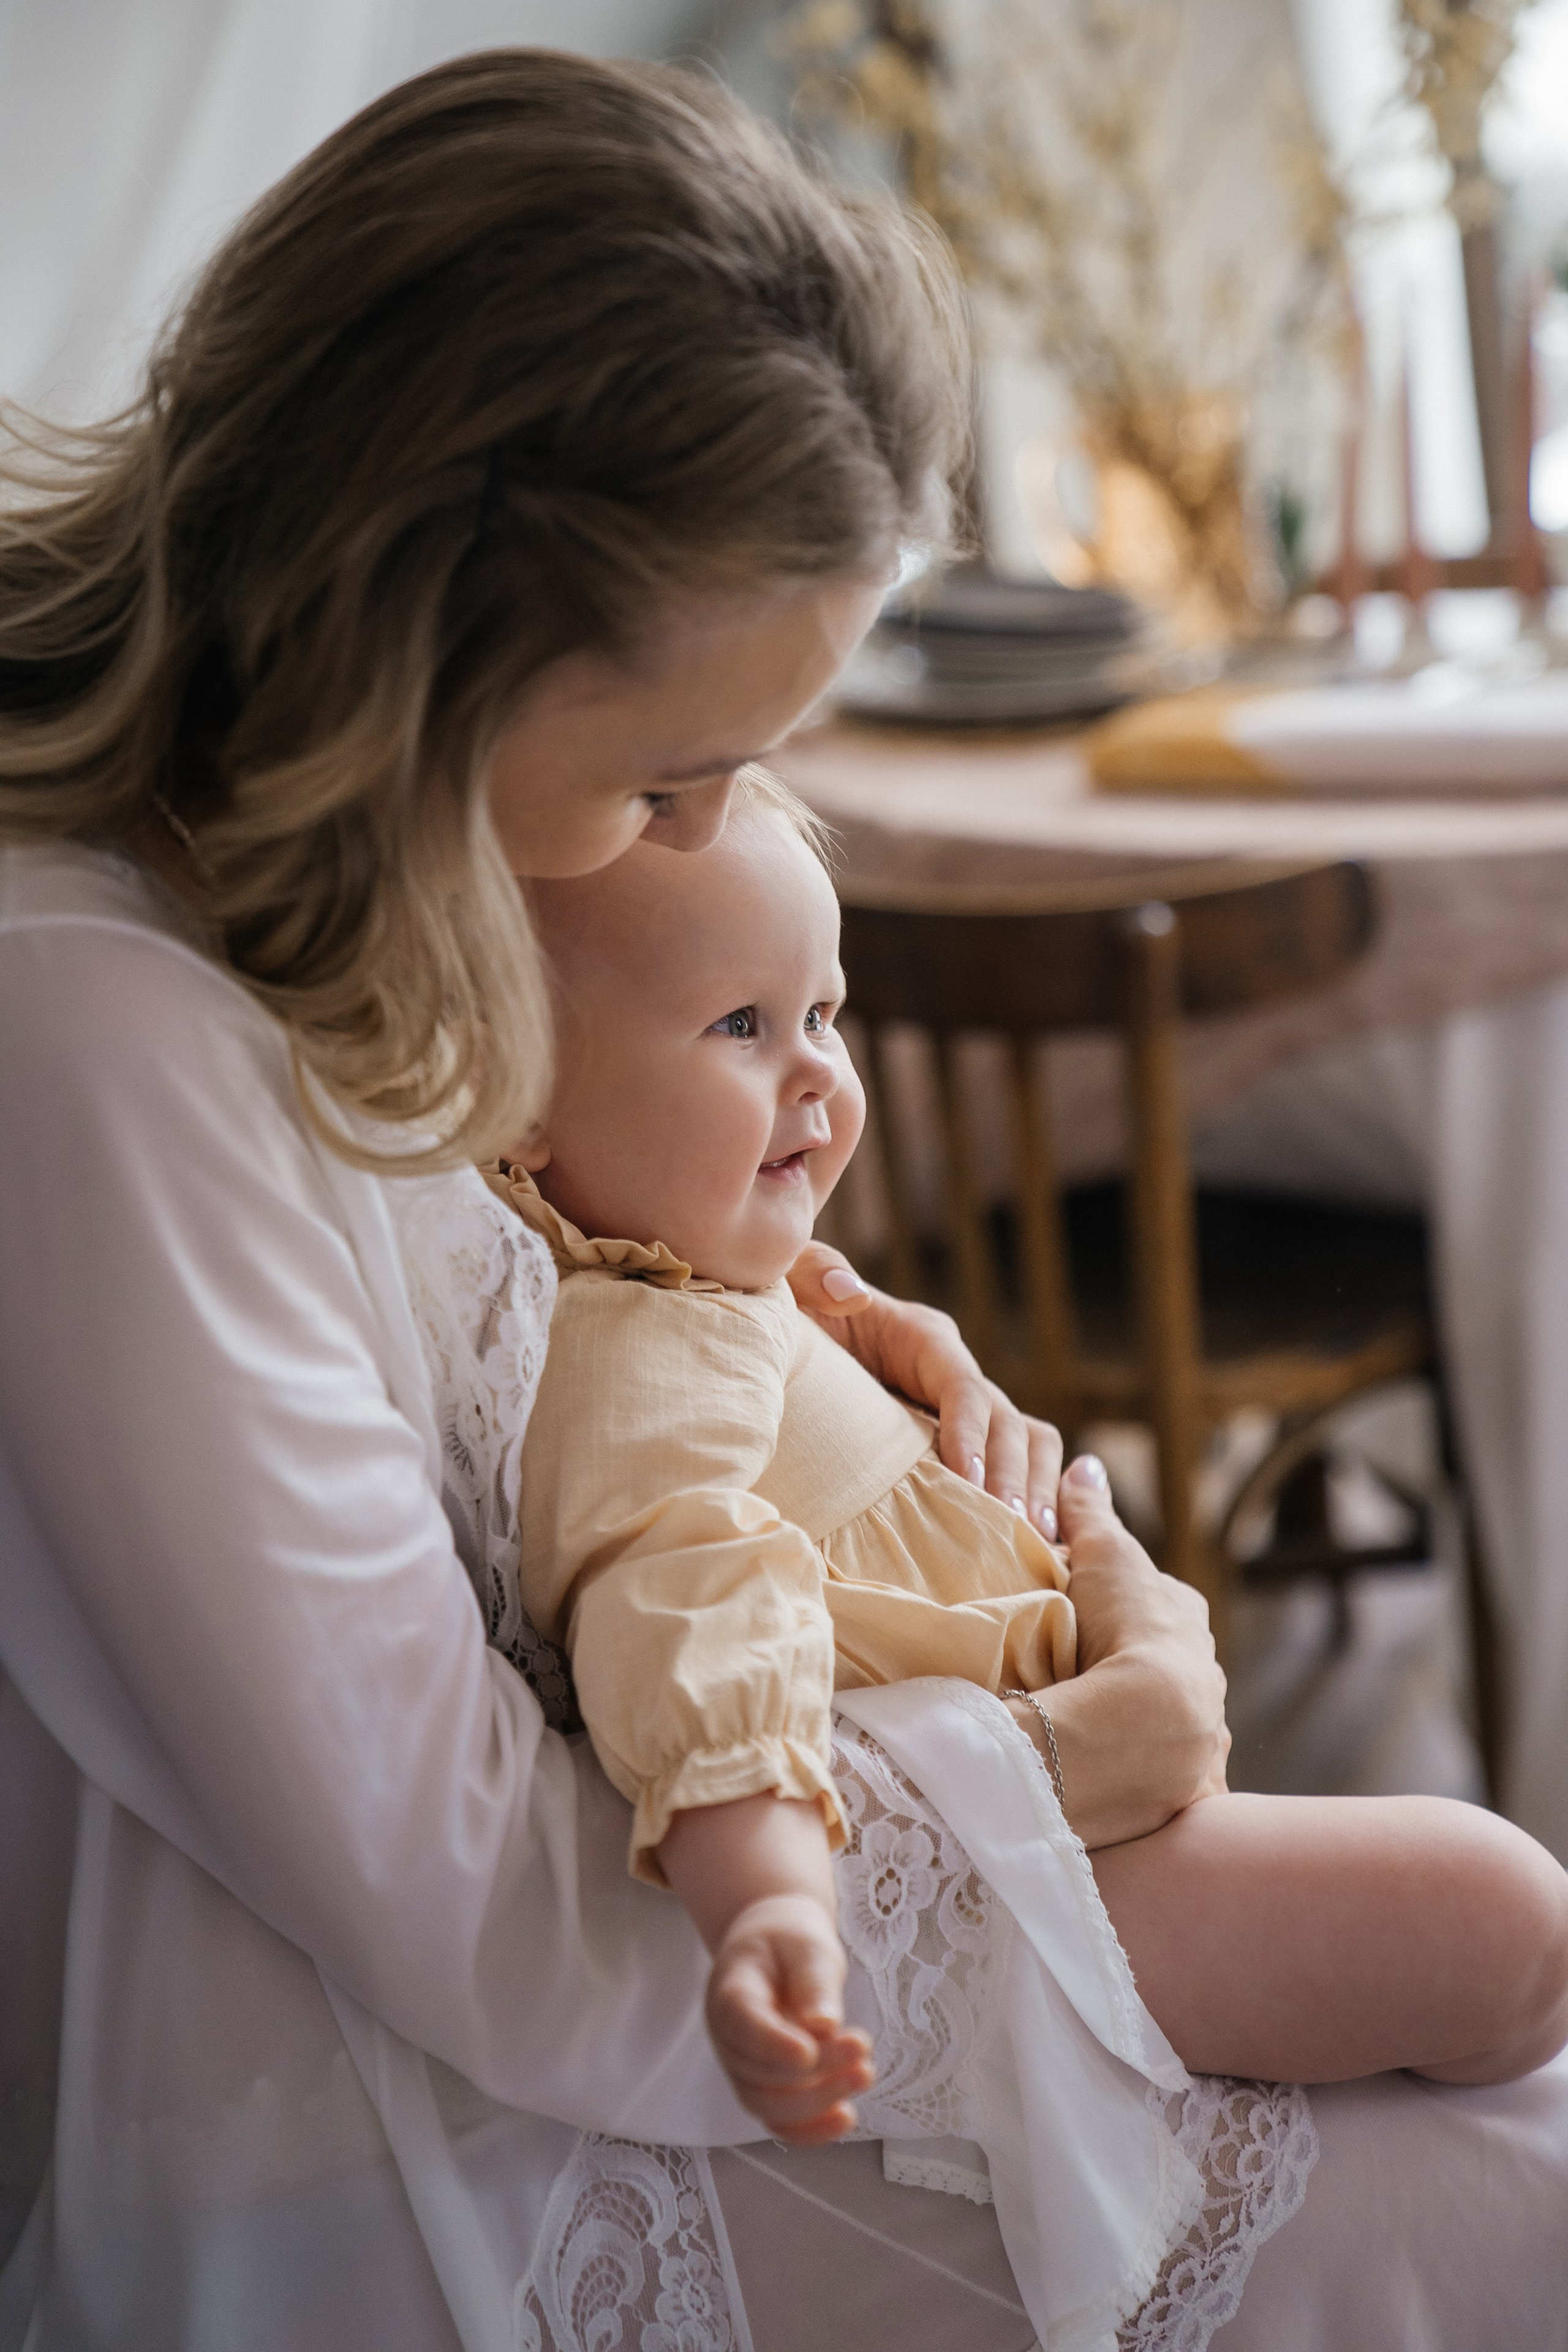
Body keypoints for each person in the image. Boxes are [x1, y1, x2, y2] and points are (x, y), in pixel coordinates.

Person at [1, 44, 1566, 2352]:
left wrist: (853, 1400)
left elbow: (552, 1361)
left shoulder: (335, 908)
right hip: (422, 2124)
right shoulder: (97, 1039)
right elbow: (478, 1905)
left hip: (680, 1941)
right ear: (424, 650)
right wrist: (1070, 1764)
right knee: (1516, 2159)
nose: (711, 831)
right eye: (671, 776)